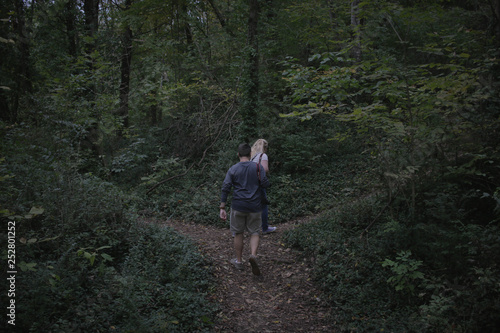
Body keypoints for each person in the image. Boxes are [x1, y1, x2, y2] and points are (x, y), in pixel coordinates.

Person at [220, 143, 270, 275]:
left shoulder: (233, 169)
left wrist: (222, 206)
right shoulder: (258, 167)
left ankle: (239, 261)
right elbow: (265, 183)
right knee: (254, 232)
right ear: (250, 155)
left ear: (238, 155)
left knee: (238, 233)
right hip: (255, 206)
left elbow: (225, 187)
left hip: (238, 205)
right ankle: (253, 255)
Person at [251, 139, 276, 234]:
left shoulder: (252, 156)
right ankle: (265, 228)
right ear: (264, 147)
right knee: (263, 205)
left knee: (250, 205)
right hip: (259, 183)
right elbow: (265, 169)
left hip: (250, 183)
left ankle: (242, 229)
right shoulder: (263, 155)